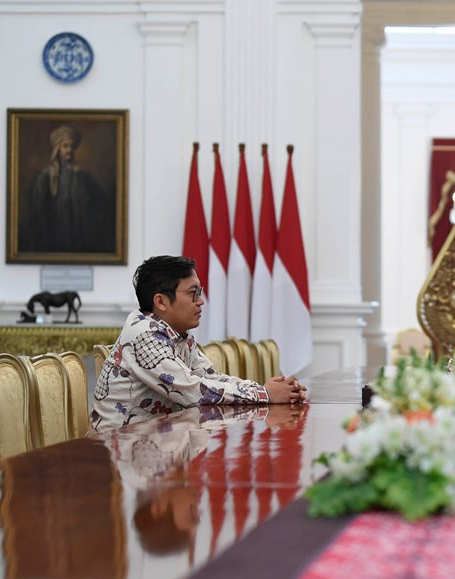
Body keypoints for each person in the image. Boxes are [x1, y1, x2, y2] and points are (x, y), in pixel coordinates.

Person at [91, 255, 305, 430]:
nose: (201, 301)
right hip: (117, 452)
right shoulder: (144, 336)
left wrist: (268, 391)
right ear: (161, 301)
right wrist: (265, 395)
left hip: (156, 441)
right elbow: (193, 392)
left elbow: (212, 379)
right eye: (193, 294)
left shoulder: (178, 334)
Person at [23, 124, 113, 254]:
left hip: (80, 240)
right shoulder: (45, 177)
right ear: (57, 148)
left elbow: (99, 205)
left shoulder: (83, 176)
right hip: (53, 240)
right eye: (65, 146)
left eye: (72, 146)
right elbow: (38, 214)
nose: (69, 150)